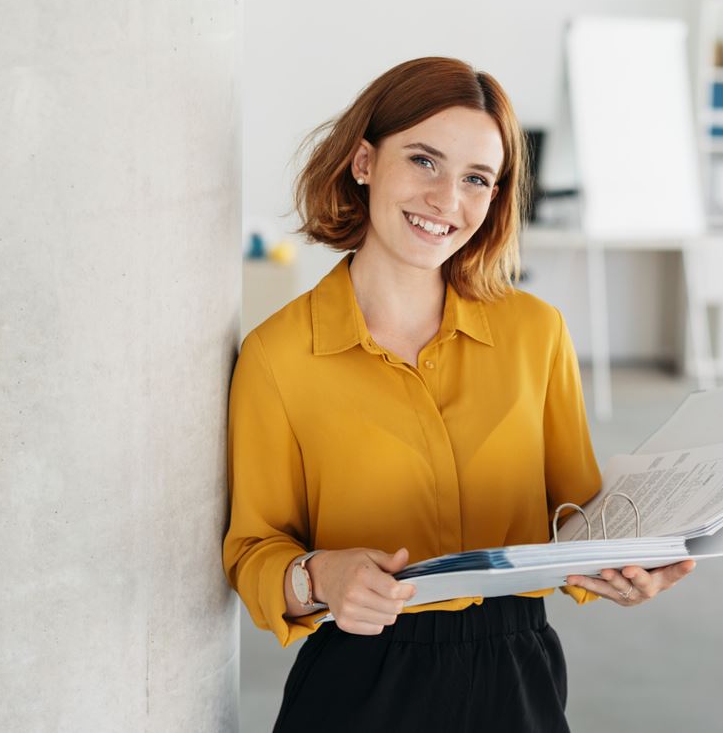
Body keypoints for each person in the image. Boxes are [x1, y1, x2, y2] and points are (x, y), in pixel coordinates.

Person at [223, 56, 695, 732]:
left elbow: (576, 516)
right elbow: (252, 549)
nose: (448, 200)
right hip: (357, 680)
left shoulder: (537, 333)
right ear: (363, 162)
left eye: (477, 178)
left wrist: (620, 563)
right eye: (423, 161)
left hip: (517, 674)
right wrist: (321, 576)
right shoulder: (279, 355)